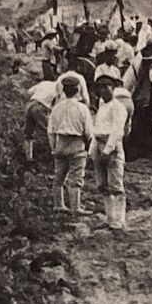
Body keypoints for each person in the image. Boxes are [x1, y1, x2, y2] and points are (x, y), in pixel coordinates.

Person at [47, 76, 94, 215]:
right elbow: (89, 132)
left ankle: (58, 204)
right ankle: (75, 207)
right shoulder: (82, 108)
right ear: (78, 90)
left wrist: (53, 148)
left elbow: (50, 131)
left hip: (60, 142)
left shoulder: (56, 108)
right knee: (76, 176)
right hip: (76, 143)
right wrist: (87, 145)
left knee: (59, 176)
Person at [90, 70, 129, 229]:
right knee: (102, 184)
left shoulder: (118, 107)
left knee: (115, 184)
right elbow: (96, 129)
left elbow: (117, 131)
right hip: (100, 143)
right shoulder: (102, 106)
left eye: (106, 87)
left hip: (111, 146)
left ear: (113, 88)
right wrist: (93, 150)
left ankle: (119, 220)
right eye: (100, 88)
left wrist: (107, 150)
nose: (103, 91)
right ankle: (110, 217)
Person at [24, 76, 60, 161]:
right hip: (40, 107)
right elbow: (57, 106)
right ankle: (53, 155)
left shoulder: (44, 83)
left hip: (30, 104)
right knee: (49, 131)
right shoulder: (58, 88)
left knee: (28, 133)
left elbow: (29, 92)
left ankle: (29, 158)